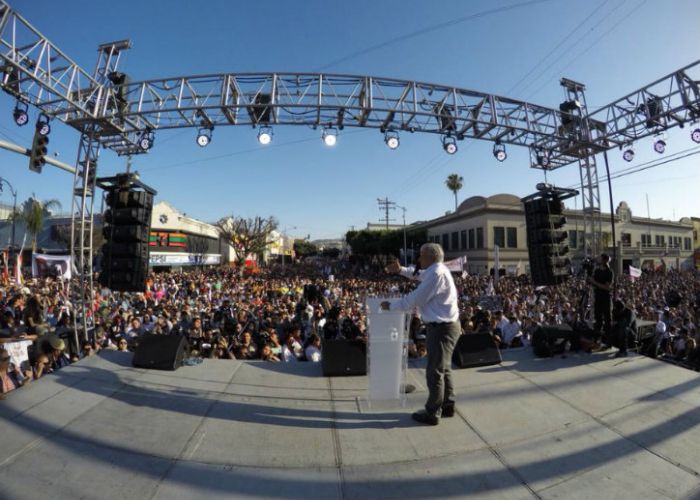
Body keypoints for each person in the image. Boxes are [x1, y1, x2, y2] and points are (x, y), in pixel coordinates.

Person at [383, 243, 460, 426]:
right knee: (444, 368)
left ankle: (432, 412)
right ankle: (448, 405)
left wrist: (391, 306)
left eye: (420, 256)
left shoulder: (436, 273)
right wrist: (400, 269)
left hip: (441, 329)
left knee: (434, 371)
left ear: (430, 257)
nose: (418, 259)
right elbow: (417, 274)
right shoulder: (435, 270)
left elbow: (415, 299)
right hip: (445, 327)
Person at [587, 253, 614, 345]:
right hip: (597, 297)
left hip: (606, 298)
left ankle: (608, 341)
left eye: (599, 258)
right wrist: (589, 278)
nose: (597, 259)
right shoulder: (597, 271)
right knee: (598, 319)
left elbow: (607, 287)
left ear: (604, 260)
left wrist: (594, 282)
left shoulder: (609, 272)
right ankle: (596, 339)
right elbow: (592, 283)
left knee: (607, 320)